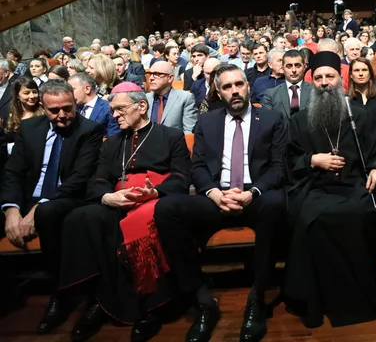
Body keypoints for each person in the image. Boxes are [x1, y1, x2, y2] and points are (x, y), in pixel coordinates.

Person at [155, 64, 287, 342]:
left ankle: (257, 298)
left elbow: (278, 168)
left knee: (276, 203)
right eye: (227, 87)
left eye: (239, 84)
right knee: (166, 209)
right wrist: (213, 192)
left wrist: (253, 193)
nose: (235, 91)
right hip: (218, 195)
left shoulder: (272, 118)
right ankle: (203, 300)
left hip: (255, 196)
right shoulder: (208, 122)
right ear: (218, 91)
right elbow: (198, 165)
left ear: (248, 86)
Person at [58, 82, 192, 341]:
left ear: (142, 106)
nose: (115, 115)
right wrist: (108, 197)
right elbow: (98, 180)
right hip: (118, 200)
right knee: (81, 217)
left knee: (140, 227)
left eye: (120, 109)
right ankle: (96, 299)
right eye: (112, 111)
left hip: (155, 200)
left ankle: (151, 308)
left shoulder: (171, 136)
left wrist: (155, 193)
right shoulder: (111, 144)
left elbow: (181, 178)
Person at [284, 51, 376, 328]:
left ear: (340, 80)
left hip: (355, 185)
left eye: (330, 76)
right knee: (311, 220)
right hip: (316, 187)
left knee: (362, 214)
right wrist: (313, 159)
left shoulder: (360, 116)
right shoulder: (299, 120)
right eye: (318, 78)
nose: (324, 82)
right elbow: (289, 161)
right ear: (312, 82)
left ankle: (361, 295)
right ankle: (319, 299)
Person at [0, 80, 103, 335]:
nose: (62, 116)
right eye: (54, 111)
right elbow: (13, 173)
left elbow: (79, 178)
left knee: (47, 212)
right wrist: (11, 209)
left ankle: (60, 295)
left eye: (67, 109)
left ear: (75, 104)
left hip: (66, 197)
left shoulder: (89, 130)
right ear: (43, 108)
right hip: (27, 198)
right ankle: (5, 292)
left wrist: (39, 207)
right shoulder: (29, 128)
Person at [146, 61, 198, 133]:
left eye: (157, 74)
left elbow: (189, 131)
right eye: (151, 74)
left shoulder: (185, 98)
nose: (151, 78)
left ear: (170, 78)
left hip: (174, 143)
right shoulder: (144, 99)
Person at [261, 49, 311, 124]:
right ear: (283, 68)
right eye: (289, 66)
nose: (294, 70)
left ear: (304, 67)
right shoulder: (271, 94)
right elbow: (267, 123)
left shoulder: (314, 91)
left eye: (297, 66)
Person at [1, 77, 44, 143]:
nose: (32, 96)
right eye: (26, 93)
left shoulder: (43, 113)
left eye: (35, 92)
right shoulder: (10, 113)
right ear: (17, 95)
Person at [348, 57, 376, 130]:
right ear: (351, 75)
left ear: (370, 74)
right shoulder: (347, 100)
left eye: (364, 70)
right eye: (356, 70)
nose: (361, 74)